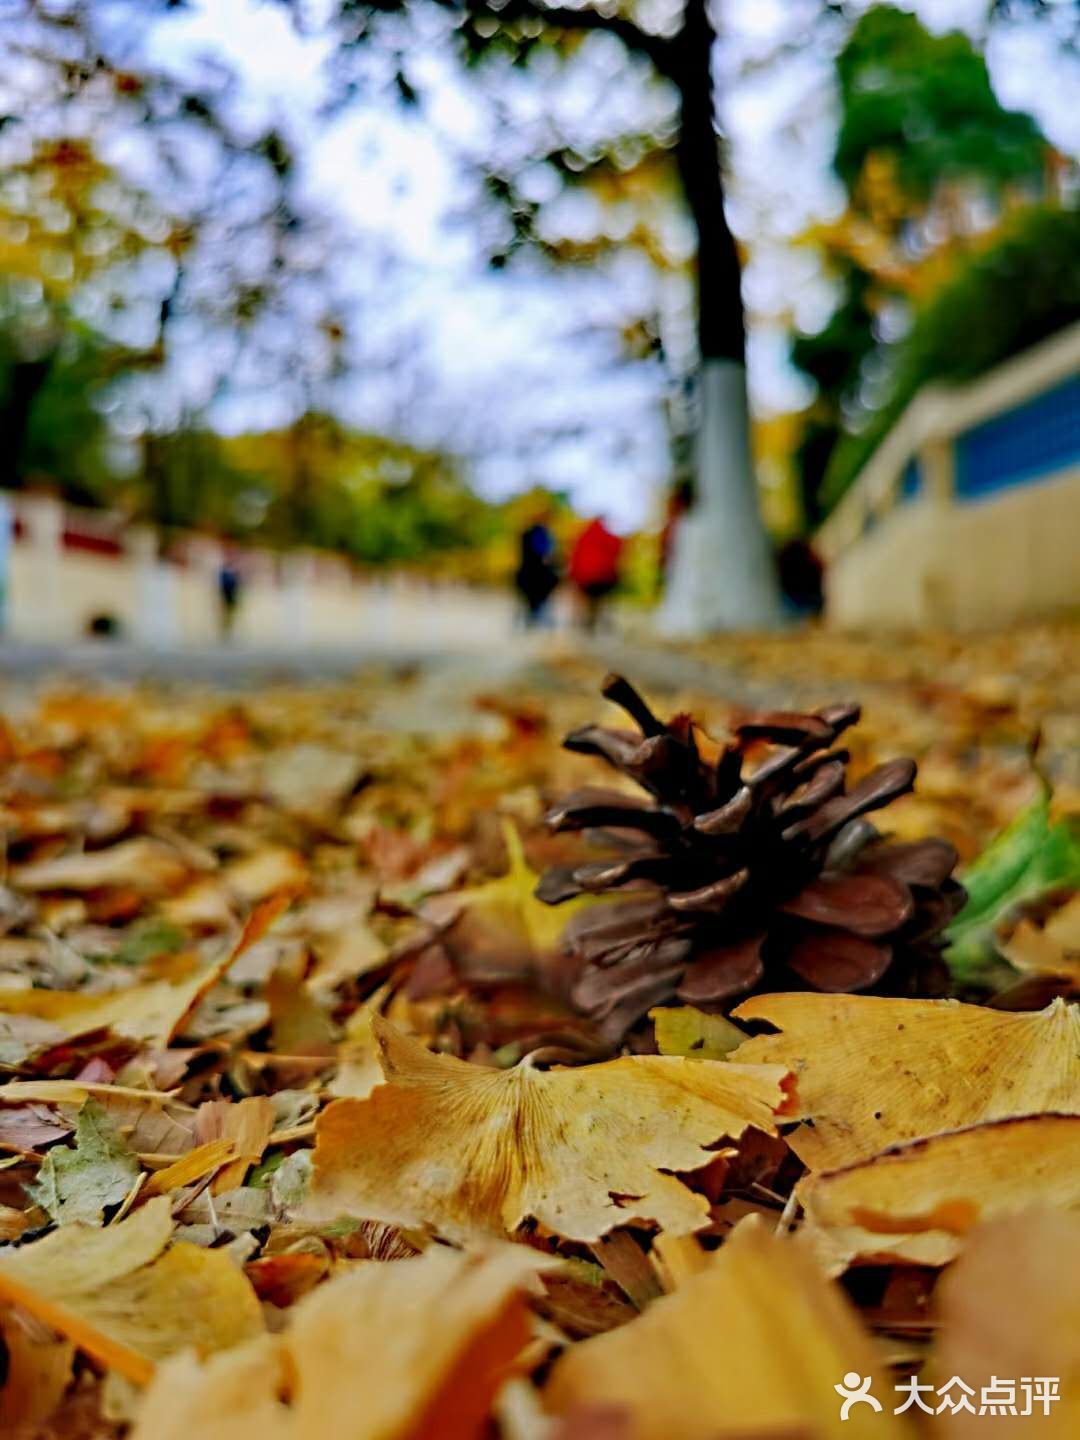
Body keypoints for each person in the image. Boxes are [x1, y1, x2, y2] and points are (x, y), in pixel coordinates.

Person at [568, 516, 623, 632]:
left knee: (588, 602)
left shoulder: (583, 536)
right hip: (602, 576)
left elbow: (575, 556)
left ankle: (588, 622)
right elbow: (617, 550)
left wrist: (574, 574)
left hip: (587, 577)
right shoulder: (607, 536)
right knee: (599, 602)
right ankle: (594, 622)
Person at [514, 515, 559, 627]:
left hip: (527, 574)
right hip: (538, 575)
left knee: (529, 601)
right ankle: (536, 619)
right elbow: (546, 557)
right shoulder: (543, 536)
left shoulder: (527, 534)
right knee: (537, 600)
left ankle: (531, 620)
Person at [218, 555, 243, 638]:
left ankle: (230, 627)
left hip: (231, 593)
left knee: (231, 610)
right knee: (226, 610)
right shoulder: (224, 572)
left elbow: (237, 583)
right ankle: (225, 628)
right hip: (226, 593)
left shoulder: (233, 571)